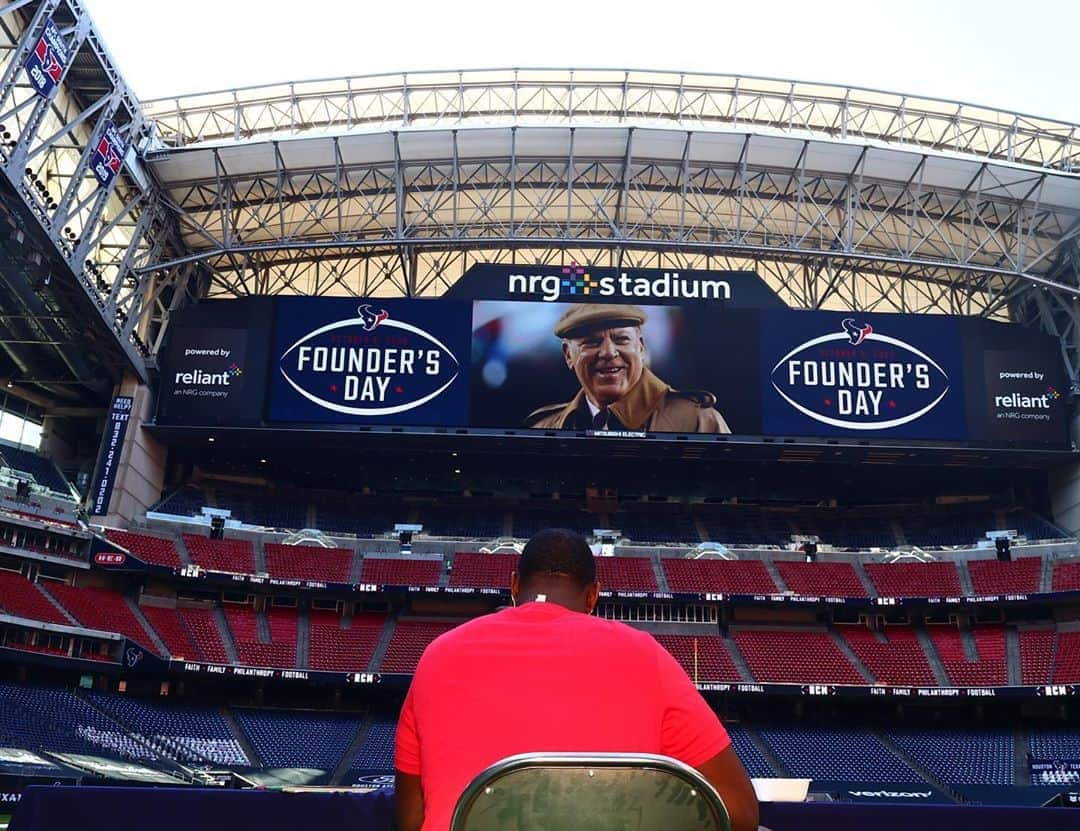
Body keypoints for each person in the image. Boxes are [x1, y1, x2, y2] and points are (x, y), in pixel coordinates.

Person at [394, 529, 759, 831]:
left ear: (514, 585)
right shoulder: (645, 655)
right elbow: (738, 813)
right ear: (594, 595)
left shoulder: (437, 655)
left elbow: (410, 820)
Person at [523, 304, 732, 433]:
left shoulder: (697, 421)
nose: (608, 352)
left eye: (621, 339)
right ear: (568, 355)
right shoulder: (544, 426)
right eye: (592, 342)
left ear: (641, 346)